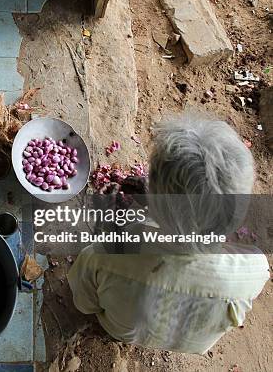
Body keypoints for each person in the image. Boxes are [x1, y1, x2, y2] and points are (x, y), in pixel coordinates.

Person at [67, 115, 270, 354]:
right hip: (192, 343)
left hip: (121, 331)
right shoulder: (254, 271)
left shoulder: (105, 257)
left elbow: (84, 304)